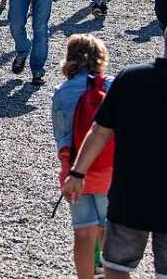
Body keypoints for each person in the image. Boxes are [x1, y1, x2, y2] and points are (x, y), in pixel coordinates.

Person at [61, 30, 167, 279]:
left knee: (116, 267)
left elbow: (99, 131)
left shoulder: (131, 78)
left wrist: (77, 173)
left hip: (131, 194)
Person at [51, 35, 114, 279]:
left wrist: (67, 168)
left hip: (75, 171)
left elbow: (61, 138)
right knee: (108, 229)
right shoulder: (113, 86)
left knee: (83, 232)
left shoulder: (62, 92)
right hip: (110, 170)